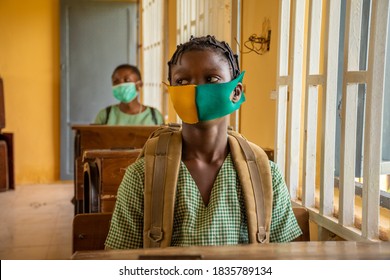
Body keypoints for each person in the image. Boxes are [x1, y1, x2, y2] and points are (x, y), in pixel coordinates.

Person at [105, 35, 302, 249]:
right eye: (182, 81)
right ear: (172, 93)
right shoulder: (143, 175)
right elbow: (120, 260)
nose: (195, 89)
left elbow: (285, 259)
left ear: (236, 92)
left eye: (212, 79)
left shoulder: (266, 175)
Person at [94, 64, 164, 125]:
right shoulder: (105, 115)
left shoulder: (155, 116)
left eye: (127, 80)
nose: (121, 84)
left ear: (139, 85)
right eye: (116, 81)